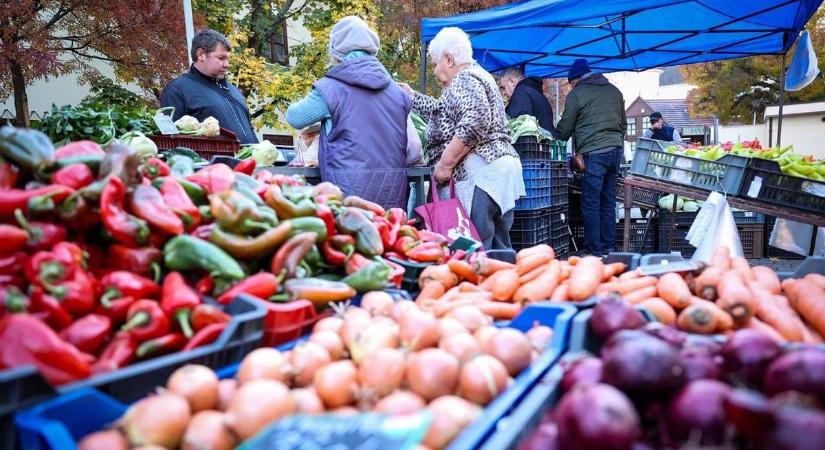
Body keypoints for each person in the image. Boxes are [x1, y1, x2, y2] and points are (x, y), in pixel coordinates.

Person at [399, 27, 525, 250]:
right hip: (498, 170)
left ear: (449, 59)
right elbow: (444, 110)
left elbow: (475, 120)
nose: (436, 72)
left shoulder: (464, 79)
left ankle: (479, 286)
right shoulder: (477, 76)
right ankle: (503, 283)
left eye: (436, 64)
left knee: (475, 249)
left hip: (481, 172)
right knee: (497, 249)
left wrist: (445, 164)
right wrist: (414, 97)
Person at [285, 16, 416, 209]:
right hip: (392, 194)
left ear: (336, 52)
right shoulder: (398, 94)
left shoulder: (331, 89)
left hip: (346, 196)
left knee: (350, 239)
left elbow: (295, 117)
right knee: (388, 237)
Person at [555, 59, 627, 256]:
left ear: (575, 80)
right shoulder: (614, 91)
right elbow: (623, 125)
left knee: (591, 201)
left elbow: (565, 129)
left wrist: (554, 135)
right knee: (608, 200)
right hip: (615, 152)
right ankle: (609, 247)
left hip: (594, 154)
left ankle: (594, 249)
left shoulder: (577, 94)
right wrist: (616, 143)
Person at [160, 29, 258, 144]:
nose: (227, 65)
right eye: (221, 58)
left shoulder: (235, 91)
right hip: (210, 162)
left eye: (228, 59)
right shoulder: (177, 90)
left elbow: (250, 130)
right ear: (201, 55)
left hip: (249, 161)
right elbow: (169, 140)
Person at [498, 66, 556, 135]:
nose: (503, 93)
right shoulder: (539, 95)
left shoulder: (520, 94)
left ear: (512, 82)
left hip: (532, 144)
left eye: (503, 87)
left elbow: (519, 128)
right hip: (545, 143)